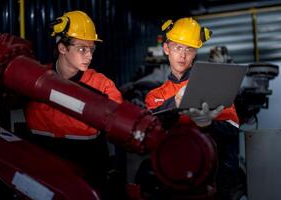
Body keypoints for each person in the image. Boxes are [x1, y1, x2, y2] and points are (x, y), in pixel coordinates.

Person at [22, 10, 123, 199]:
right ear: (62, 48)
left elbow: (121, 123)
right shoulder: (34, 79)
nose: (89, 56)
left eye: (91, 49)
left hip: (87, 172)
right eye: (82, 49)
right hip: (42, 170)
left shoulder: (102, 85)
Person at [145, 17, 241, 200]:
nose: (183, 55)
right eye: (178, 47)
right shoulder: (155, 95)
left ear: (196, 52)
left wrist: (208, 124)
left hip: (212, 184)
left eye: (189, 49)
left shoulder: (214, 85)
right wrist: (176, 103)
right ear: (167, 49)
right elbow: (150, 130)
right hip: (171, 179)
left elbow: (233, 130)